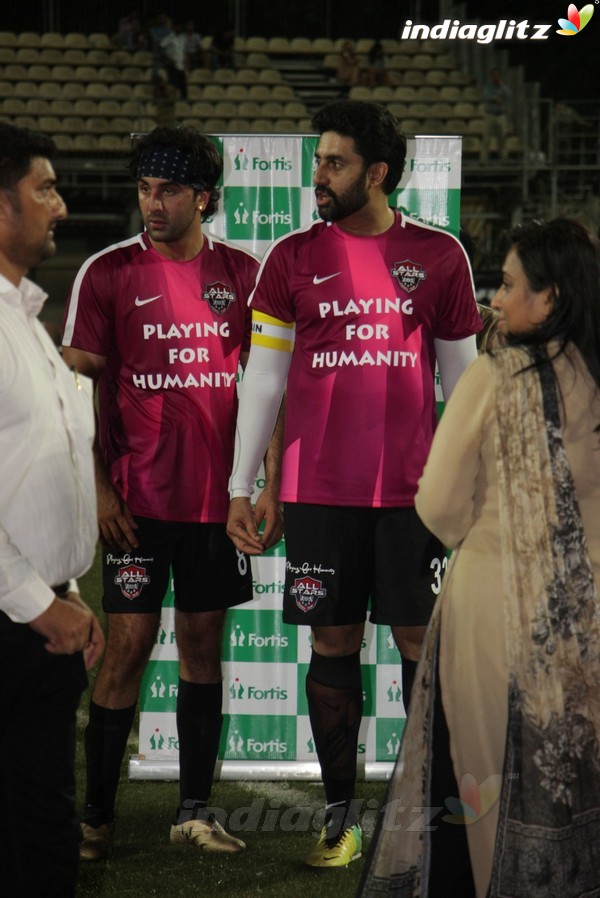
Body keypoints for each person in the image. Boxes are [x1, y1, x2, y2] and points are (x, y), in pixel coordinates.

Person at [226, 99, 482, 868]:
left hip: (415, 497)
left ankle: (426, 817)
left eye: (335, 162)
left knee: (419, 647)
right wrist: (243, 485)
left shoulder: (439, 256)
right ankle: (340, 822)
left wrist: (470, 496)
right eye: (317, 161)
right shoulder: (291, 258)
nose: (319, 175)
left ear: (377, 173)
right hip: (317, 491)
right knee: (332, 644)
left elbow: (463, 389)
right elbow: (262, 382)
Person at [358, 218, 600, 898]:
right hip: (588, 617)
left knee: (480, 787)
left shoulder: (493, 376)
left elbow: (436, 503)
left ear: (550, 298)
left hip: (494, 611)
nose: (494, 297)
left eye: (510, 284)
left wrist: (488, 533)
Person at [62, 125, 283, 862]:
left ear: (205, 197)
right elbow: (73, 390)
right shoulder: (107, 272)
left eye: (169, 191)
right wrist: (98, 491)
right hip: (135, 504)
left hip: (217, 507)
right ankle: (95, 817)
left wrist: (257, 487)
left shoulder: (246, 276)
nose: (152, 204)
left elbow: (267, 390)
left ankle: (193, 810)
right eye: (145, 190)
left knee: (200, 646)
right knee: (126, 645)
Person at [0, 122, 103, 896]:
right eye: (44, 188)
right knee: (28, 833)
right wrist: (40, 604)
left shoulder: (24, 316)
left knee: (40, 823)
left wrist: (66, 595)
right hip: (12, 624)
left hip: (39, 620)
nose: (60, 206)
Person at [481, 68, 511, 163]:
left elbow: (509, 95)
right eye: (494, 75)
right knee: (486, 138)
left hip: (501, 115)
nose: (496, 77)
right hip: (490, 115)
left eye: (497, 75)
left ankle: (504, 159)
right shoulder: (488, 87)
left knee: (502, 138)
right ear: (491, 77)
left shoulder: (503, 87)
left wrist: (502, 86)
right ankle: (484, 160)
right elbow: (485, 96)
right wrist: (494, 99)